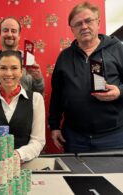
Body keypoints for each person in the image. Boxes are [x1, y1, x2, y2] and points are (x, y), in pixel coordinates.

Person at [49, 1, 123, 153]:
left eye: (88, 21)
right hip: (75, 138)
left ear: (98, 22)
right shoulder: (64, 57)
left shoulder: (117, 49)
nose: (83, 26)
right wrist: (55, 126)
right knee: (77, 177)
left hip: (113, 137)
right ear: (72, 29)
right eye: (78, 24)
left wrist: (119, 92)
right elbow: (56, 95)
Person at [0, 50, 45, 162]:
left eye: (14, 68)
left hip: (25, 165)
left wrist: (18, 155)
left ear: (22, 72)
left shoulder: (36, 99)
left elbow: (38, 141)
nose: (8, 73)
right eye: (3, 68)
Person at [0, 17, 44, 100]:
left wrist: (38, 79)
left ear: (19, 36)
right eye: (5, 30)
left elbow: (38, 94)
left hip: (22, 111)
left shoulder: (29, 61)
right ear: (0, 35)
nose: (9, 34)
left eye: (13, 31)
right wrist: (1, 83)